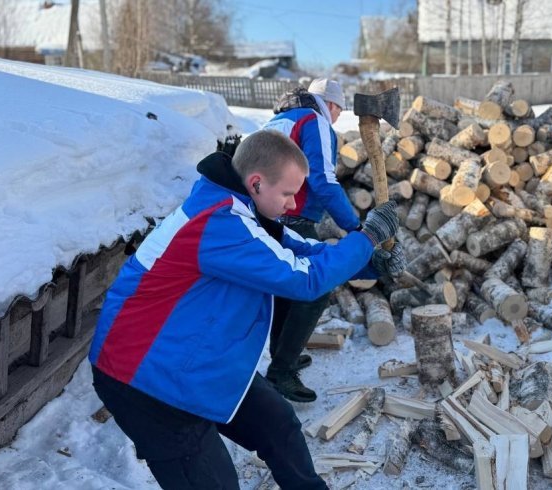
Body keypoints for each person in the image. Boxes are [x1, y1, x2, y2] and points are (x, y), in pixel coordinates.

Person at [89, 130, 405, 489]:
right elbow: (303, 279)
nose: (292, 204)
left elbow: (303, 251)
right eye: (287, 193)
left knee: (278, 426)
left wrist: (370, 262)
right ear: (256, 183)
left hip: (194, 359)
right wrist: (366, 238)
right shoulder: (218, 223)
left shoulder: (243, 210)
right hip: (146, 379)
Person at [259, 78, 359, 403]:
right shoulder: (314, 120)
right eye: (339, 111)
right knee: (315, 288)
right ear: (329, 104)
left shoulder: (282, 117)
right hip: (293, 218)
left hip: (267, 216)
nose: (336, 118)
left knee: (285, 291)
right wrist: (354, 226)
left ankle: (281, 353)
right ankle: (281, 372)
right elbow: (323, 178)